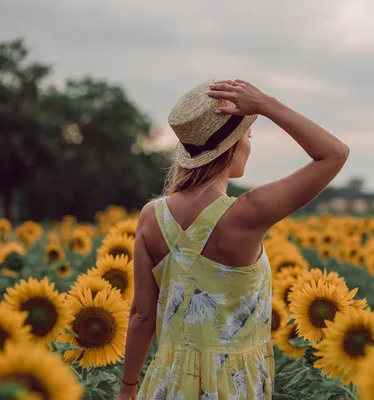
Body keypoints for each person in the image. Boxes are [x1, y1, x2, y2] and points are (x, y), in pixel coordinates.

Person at [115, 79, 350, 400]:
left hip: (166, 382)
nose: (250, 144)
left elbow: (142, 315)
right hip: (232, 385)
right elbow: (334, 154)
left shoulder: (150, 216)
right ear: (232, 146)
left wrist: (128, 389)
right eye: (248, 135)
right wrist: (266, 104)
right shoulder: (245, 214)